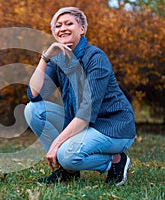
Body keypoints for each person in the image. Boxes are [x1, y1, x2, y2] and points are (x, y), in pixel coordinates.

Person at [24, 7, 136, 185]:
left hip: (112, 127)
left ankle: (116, 160)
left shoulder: (95, 58)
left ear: (82, 29)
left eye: (69, 23)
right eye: (58, 26)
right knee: (33, 110)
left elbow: (86, 113)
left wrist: (55, 145)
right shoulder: (59, 59)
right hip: (82, 124)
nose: (63, 28)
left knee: (65, 154)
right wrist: (45, 58)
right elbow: (34, 94)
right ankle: (68, 171)